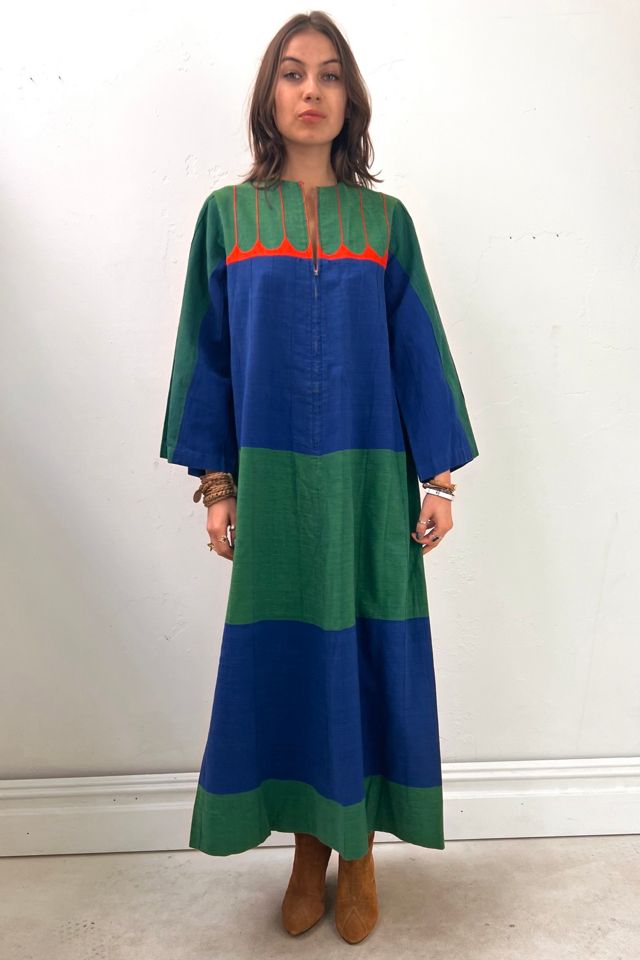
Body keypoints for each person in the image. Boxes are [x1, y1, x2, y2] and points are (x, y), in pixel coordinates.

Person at [159, 10, 479, 945]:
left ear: (351, 98)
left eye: (330, 74)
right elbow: (208, 357)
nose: (311, 90)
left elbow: (418, 352)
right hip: (271, 488)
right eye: (294, 72)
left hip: (371, 484)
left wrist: (439, 482)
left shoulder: (385, 224)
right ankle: (308, 850)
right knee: (293, 664)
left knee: (368, 657)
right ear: (269, 95)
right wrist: (217, 486)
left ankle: (361, 855)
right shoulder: (227, 217)